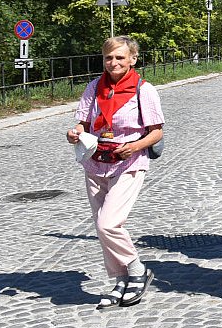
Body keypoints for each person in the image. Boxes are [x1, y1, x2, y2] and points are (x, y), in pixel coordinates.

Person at [65, 36, 164, 309]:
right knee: (102, 227)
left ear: (132, 59)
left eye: (120, 57)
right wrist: (75, 134)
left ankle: (137, 270)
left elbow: (157, 132)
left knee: (108, 223)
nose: (114, 62)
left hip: (128, 163)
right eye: (109, 57)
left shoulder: (144, 90)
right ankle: (120, 279)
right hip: (95, 162)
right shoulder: (94, 87)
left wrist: (134, 146)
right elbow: (82, 124)